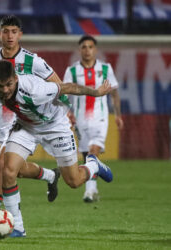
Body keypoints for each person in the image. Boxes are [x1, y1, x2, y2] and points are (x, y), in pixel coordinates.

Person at [0, 60, 114, 237]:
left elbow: (68, 87)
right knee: (8, 170)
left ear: (16, 78)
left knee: (74, 181)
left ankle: (94, 164)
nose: (5, 90)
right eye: (0, 85)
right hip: (26, 127)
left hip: (55, 126)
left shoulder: (35, 89)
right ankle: (18, 227)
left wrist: (96, 92)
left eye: (9, 84)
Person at [0, 15, 64, 230]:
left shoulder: (33, 61)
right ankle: (50, 175)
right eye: (6, 31)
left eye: (14, 31)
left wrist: (62, 110)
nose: (10, 35)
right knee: (14, 169)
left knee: (2, 164)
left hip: (25, 120)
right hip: (1, 118)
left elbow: (57, 83)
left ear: (20, 34)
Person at [63, 35, 124, 203]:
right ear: (79, 50)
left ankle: (89, 192)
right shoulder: (72, 71)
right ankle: (94, 188)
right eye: (84, 47)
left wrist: (118, 115)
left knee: (93, 150)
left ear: (95, 50)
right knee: (86, 155)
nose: (87, 50)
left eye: (90, 47)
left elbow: (114, 94)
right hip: (80, 119)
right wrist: (67, 113)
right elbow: (65, 94)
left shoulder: (106, 69)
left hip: (100, 118)